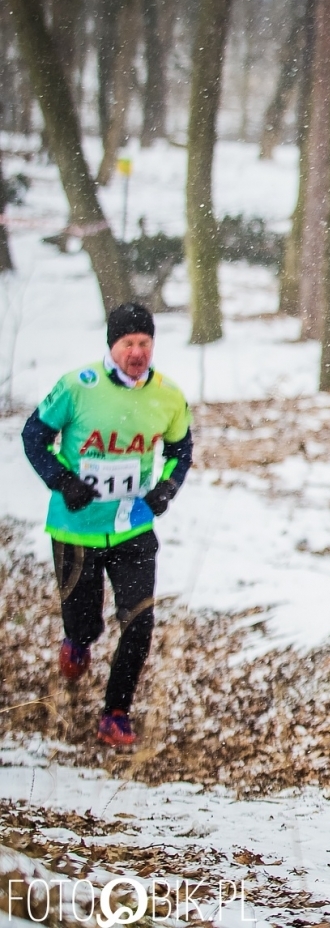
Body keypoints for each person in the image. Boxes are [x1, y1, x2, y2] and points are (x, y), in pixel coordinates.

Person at [20, 303, 193, 748]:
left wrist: (166, 489)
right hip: (75, 528)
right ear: (112, 345)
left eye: (144, 343)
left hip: (133, 526)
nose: (137, 352)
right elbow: (34, 437)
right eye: (128, 343)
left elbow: (181, 452)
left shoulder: (169, 396)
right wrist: (63, 481)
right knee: (84, 623)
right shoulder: (77, 387)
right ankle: (78, 642)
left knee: (139, 620)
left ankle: (116, 712)